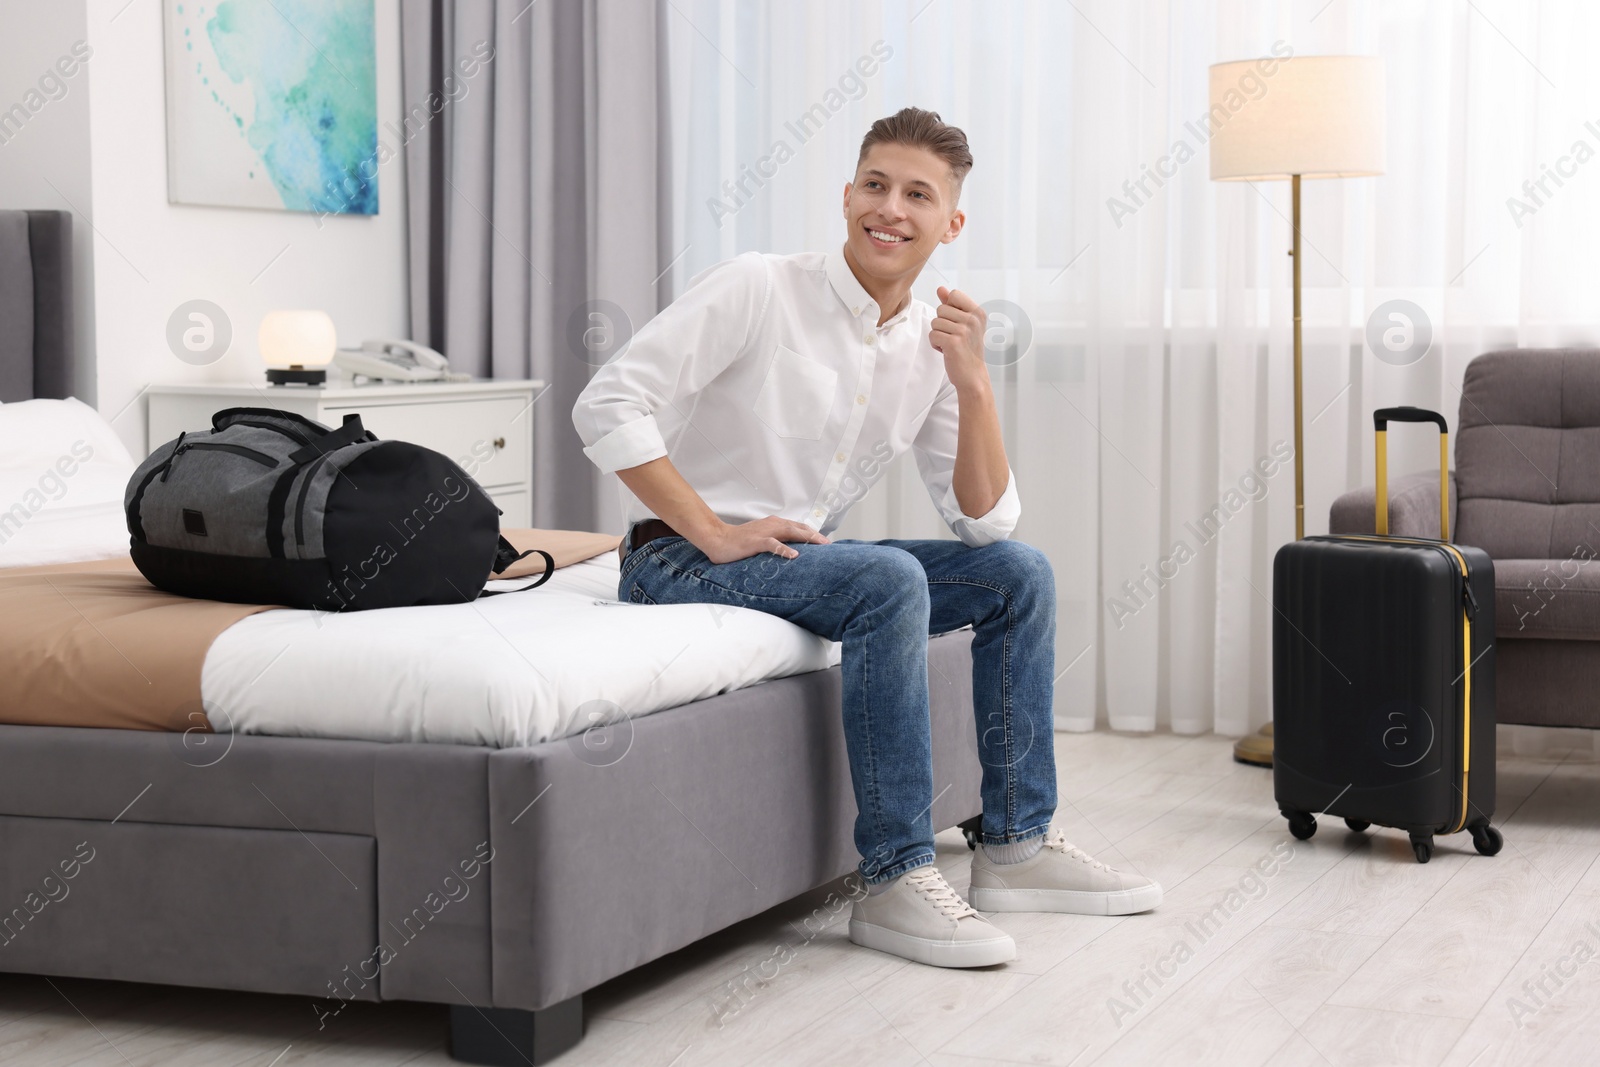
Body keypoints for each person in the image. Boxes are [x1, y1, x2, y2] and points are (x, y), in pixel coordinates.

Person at [572, 107, 1161, 969]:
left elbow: (986, 521)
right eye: (876, 186)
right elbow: (606, 403)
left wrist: (974, 383)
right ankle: (893, 880)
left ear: (950, 223)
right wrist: (712, 529)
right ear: (847, 195)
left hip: (797, 559)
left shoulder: (933, 342)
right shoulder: (758, 285)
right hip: (677, 556)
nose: (891, 207)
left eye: (917, 194)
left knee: (1018, 574)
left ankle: (1016, 847)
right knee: (886, 579)